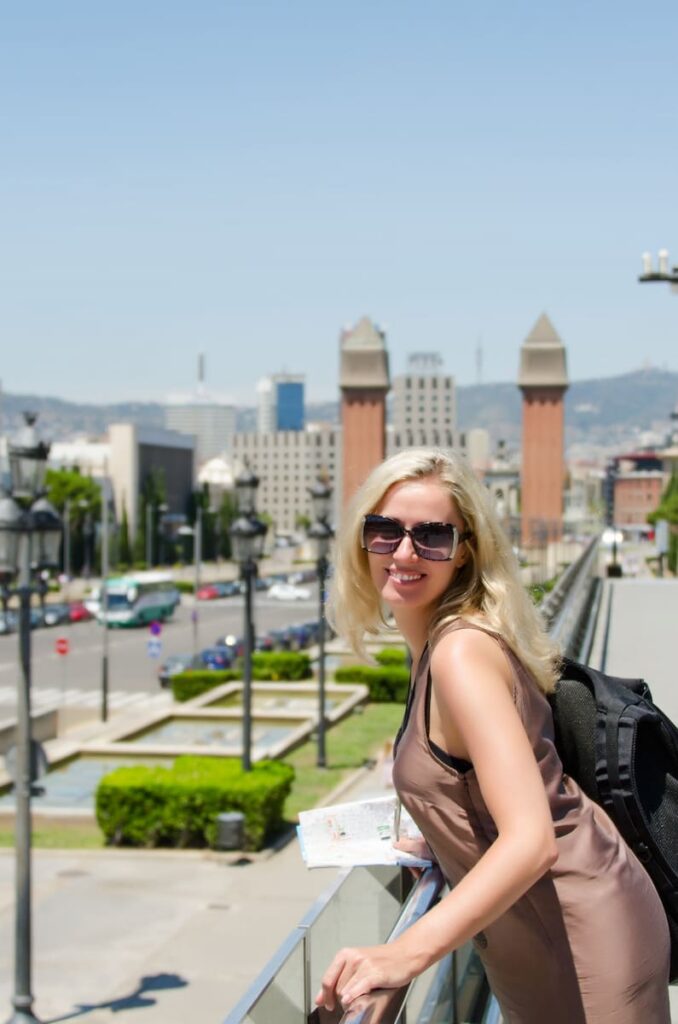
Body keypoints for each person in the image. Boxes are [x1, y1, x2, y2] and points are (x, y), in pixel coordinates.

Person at [316, 448, 670, 1023]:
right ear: (362, 541)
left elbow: (532, 839)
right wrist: (443, 832)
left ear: (465, 552)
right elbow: (476, 776)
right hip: (538, 928)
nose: (404, 552)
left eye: (432, 536)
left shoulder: (460, 652)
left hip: (581, 935)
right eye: (384, 531)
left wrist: (402, 954)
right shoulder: (435, 643)